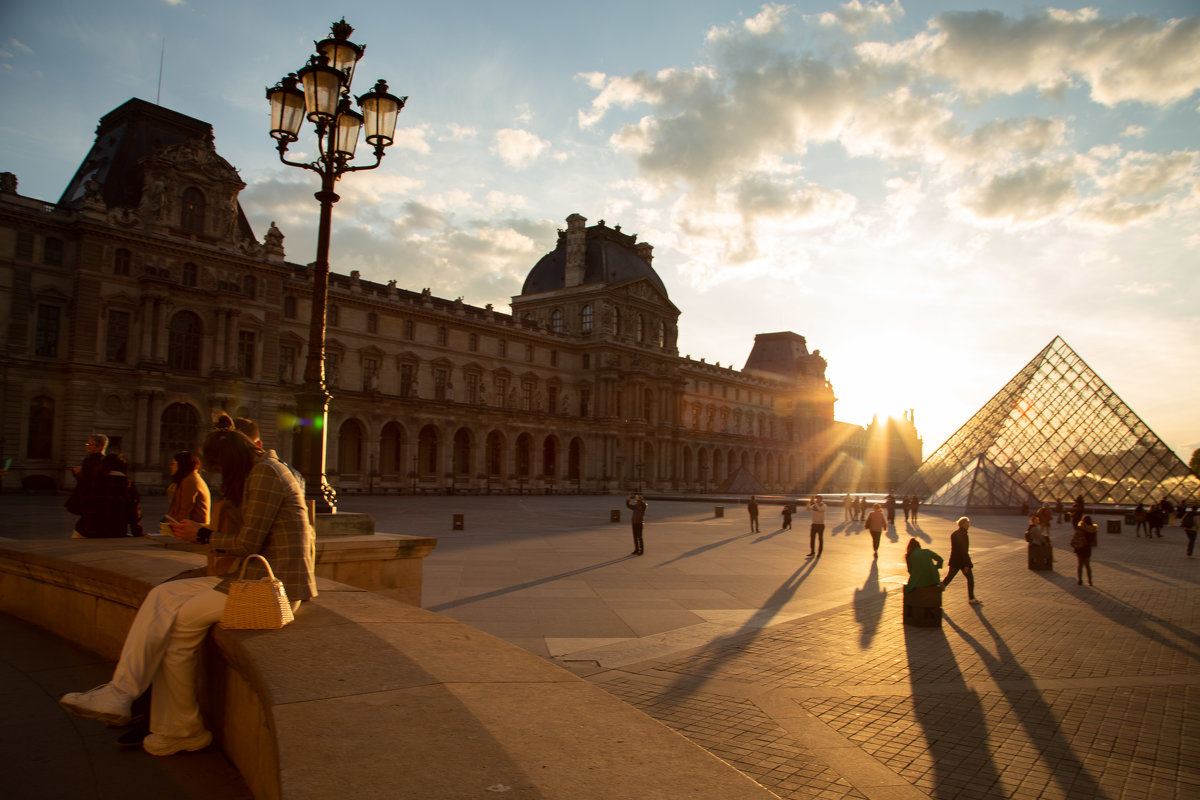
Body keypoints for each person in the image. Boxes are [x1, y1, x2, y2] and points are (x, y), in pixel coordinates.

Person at [59, 414, 317, 756]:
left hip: (275, 586)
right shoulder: (263, 469)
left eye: (220, 468)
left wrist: (203, 534)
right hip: (254, 577)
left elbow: (247, 544)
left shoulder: (266, 474)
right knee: (162, 595)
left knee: (180, 621)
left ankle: (177, 727)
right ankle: (123, 694)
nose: (220, 476)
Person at [70, 453, 143, 538]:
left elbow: (79, 503)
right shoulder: (127, 485)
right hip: (114, 532)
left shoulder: (92, 481)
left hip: (85, 530)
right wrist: (137, 533)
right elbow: (133, 513)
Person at [67, 433, 108, 536]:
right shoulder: (103, 460)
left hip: (90, 498)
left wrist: (77, 473)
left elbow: (88, 480)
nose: (88, 446)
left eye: (90, 444)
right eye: (88, 444)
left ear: (99, 447)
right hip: (93, 498)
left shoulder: (91, 460)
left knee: (84, 525)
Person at [941, 516, 981, 605]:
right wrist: (968, 565)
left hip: (954, 561)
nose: (969, 525)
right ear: (963, 525)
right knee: (970, 579)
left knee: (949, 578)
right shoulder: (964, 535)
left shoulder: (954, 534)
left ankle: (936, 592)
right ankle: (971, 598)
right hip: (962, 562)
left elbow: (956, 550)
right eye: (968, 524)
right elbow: (964, 551)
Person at [166, 451, 210, 525]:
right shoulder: (189, 478)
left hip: (194, 528)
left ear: (181, 465)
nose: (171, 467)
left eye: (173, 464)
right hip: (191, 526)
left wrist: (170, 525)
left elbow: (185, 509)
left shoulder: (190, 480)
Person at [1071, 515, 1097, 586]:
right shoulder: (1093, 529)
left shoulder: (1080, 527)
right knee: (1087, 566)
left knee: (1080, 565)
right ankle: (1090, 581)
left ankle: (1080, 580)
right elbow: (1094, 541)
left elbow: (1075, 536)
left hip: (1079, 548)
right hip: (1087, 549)